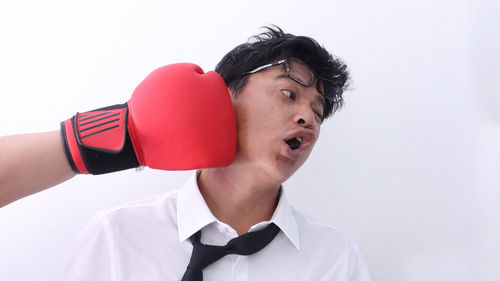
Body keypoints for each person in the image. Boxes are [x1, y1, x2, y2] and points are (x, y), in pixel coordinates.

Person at [2, 26, 372, 280]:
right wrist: (120, 134)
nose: (308, 117)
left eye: (319, 112)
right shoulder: (115, 236)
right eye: (289, 94)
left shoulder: (337, 261)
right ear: (222, 97)